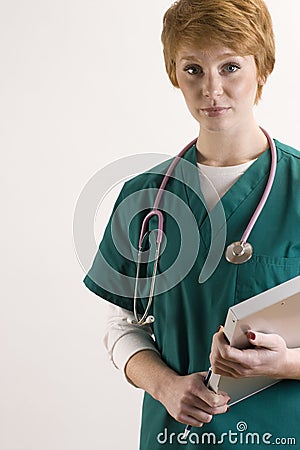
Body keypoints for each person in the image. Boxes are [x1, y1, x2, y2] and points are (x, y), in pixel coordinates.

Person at [84, 0, 300, 448]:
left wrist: (284, 365)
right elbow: (121, 324)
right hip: (175, 436)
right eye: (193, 69)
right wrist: (164, 385)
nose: (212, 89)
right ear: (173, 74)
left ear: (263, 69)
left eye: (230, 67)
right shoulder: (144, 197)